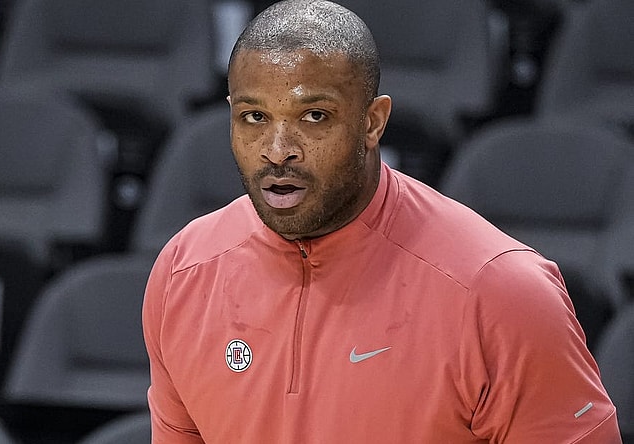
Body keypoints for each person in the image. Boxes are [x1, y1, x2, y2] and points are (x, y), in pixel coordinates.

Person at [141, 1, 622, 442]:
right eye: (254, 117)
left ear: (373, 122)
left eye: (313, 115)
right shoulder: (182, 273)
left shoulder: (499, 291)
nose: (277, 148)